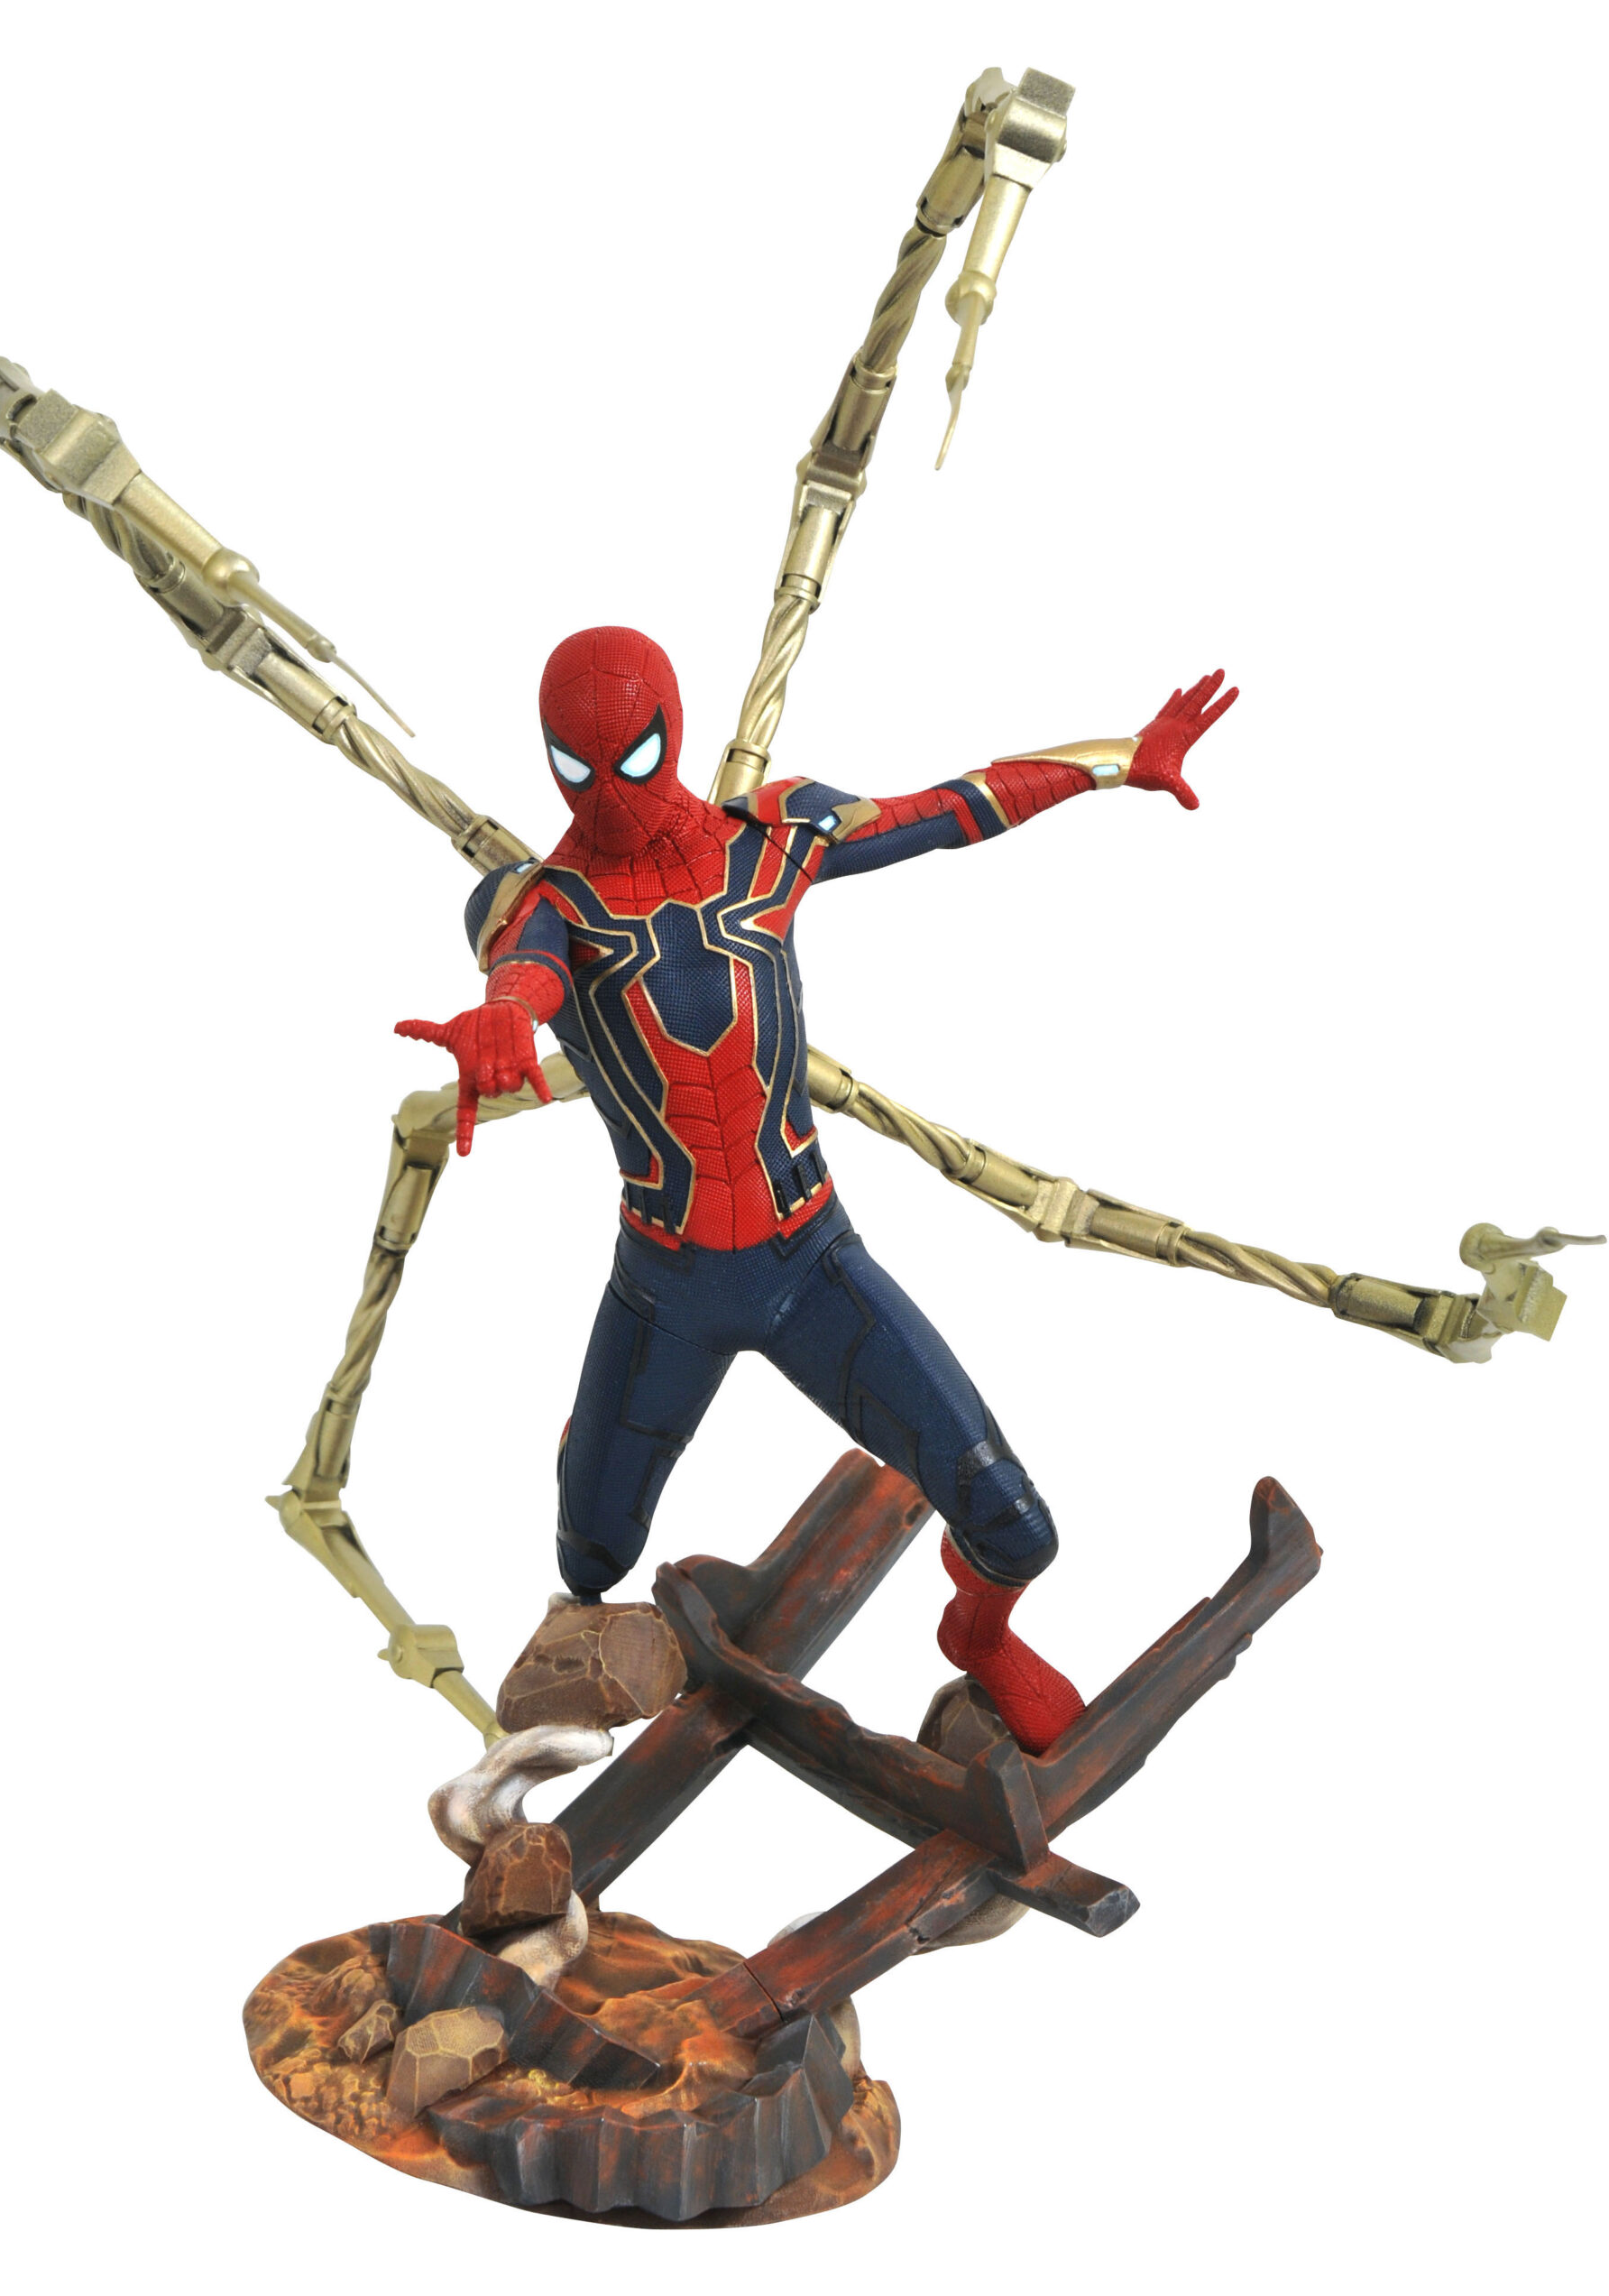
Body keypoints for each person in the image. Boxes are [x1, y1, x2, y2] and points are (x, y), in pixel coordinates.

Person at [397, 626, 1236, 1752]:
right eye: (575, 768)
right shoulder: (546, 903)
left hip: (810, 1264)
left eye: (631, 761)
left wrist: (1118, 759)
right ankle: (582, 1455)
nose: (607, 796)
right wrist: (501, 1020)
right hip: (665, 1287)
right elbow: (527, 973)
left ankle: (979, 1636)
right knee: (589, 1556)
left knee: (1015, 1526)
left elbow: (948, 808)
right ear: (546, 756)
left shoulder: (770, 840)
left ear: (671, 733)